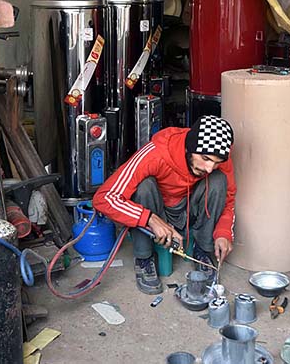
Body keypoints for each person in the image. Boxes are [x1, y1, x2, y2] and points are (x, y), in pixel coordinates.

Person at [93, 115, 237, 294]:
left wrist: (223, 233)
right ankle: (144, 257)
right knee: (144, 186)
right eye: (206, 158)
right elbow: (104, 198)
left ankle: (203, 250)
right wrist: (150, 219)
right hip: (157, 208)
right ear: (189, 148)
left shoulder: (220, 160)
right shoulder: (155, 153)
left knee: (218, 180)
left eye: (216, 162)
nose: (209, 168)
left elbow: (228, 200)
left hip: (189, 210)